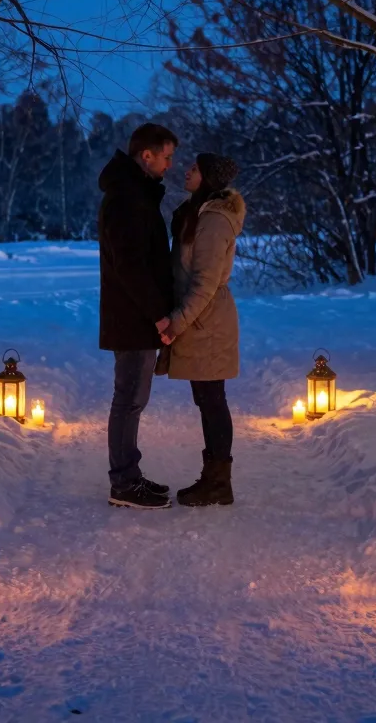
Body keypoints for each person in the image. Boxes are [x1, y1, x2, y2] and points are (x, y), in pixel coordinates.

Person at [97, 123, 179, 509]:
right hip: (132, 318)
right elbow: (130, 265)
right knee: (128, 399)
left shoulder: (136, 194)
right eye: (166, 157)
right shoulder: (127, 197)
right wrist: (158, 314)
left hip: (135, 317)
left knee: (132, 399)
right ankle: (124, 483)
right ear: (146, 155)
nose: (170, 165)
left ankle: (129, 475)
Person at [159, 153, 244, 506]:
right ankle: (213, 480)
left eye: (194, 168)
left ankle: (218, 483)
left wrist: (176, 322)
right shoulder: (200, 215)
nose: (186, 171)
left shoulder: (213, 221)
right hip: (203, 320)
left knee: (212, 401)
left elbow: (205, 282)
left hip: (207, 322)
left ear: (207, 177)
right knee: (207, 400)